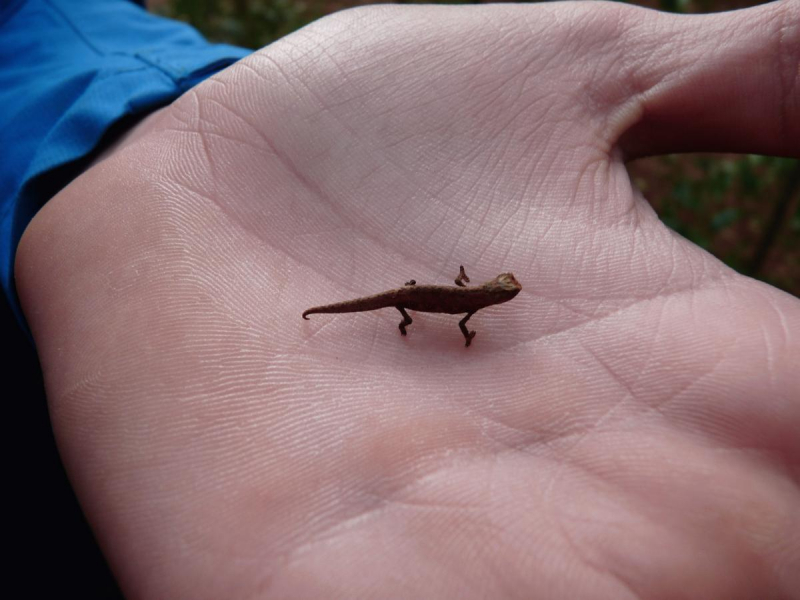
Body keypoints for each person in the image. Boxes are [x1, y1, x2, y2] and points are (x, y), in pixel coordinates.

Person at [6, 0, 800, 597]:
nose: (501, 297)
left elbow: (464, 300)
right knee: (382, 306)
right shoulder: (470, 311)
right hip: (400, 298)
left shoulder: (477, 302)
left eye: (499, 293)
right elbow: (454, 309)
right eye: (500, 292)